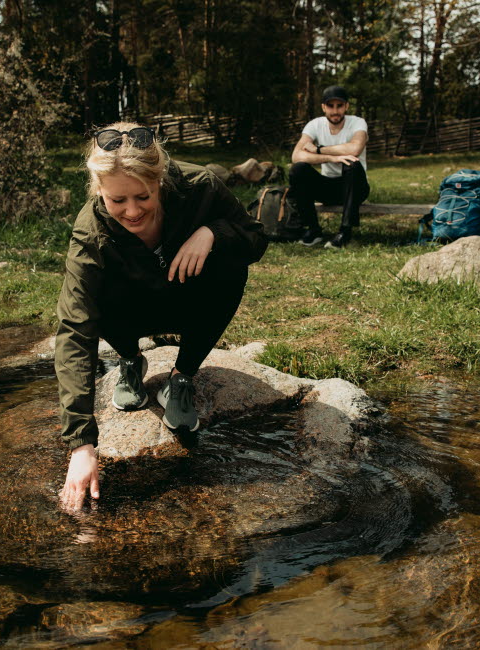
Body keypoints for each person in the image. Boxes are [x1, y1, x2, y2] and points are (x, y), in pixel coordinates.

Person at [56, 122, 268, 512]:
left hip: (188, 296)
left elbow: (255, 237)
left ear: (160, 180)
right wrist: (81, 443)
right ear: (98, 189)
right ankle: (130, 361)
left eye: (143, 196)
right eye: (117, 201)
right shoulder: (90, 232)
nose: (132, 211)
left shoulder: (200, 186)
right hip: (128, 312)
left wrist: (213, 232)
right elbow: (75, 327)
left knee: (232, 266)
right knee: (89, 296)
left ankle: (182, 375)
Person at [287, 85, 370, 249]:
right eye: (330, 106)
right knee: (298, 169)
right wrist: (332, 158)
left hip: (355, 188)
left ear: (346, 106)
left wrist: (318, 149)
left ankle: (345, 231)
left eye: (339, 106)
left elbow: (355, 148)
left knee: (351, 163)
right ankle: (313, 229)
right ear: (323, 107)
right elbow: (297, 156)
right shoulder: (314, 125)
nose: (335, 111)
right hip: (328, 188)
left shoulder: (358, 123)